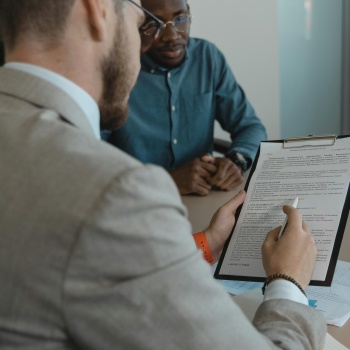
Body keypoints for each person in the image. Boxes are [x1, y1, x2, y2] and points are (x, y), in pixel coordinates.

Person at [0, 0, 326, 349]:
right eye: (145, 20)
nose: (160, 35)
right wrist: (287, 280)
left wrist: (207, 242)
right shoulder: (115, 192)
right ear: (98, 10)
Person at [104, 0, 267, 196]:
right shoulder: (116, 70)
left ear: (189, 13)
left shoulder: (208, 57)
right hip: (139, 200)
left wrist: (236, 160)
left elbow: (251, 127)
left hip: (205, 196)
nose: (172, 36)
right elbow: (91, 156)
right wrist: (167, 180)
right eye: (154, 23)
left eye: (180, 19)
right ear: (135, 22)